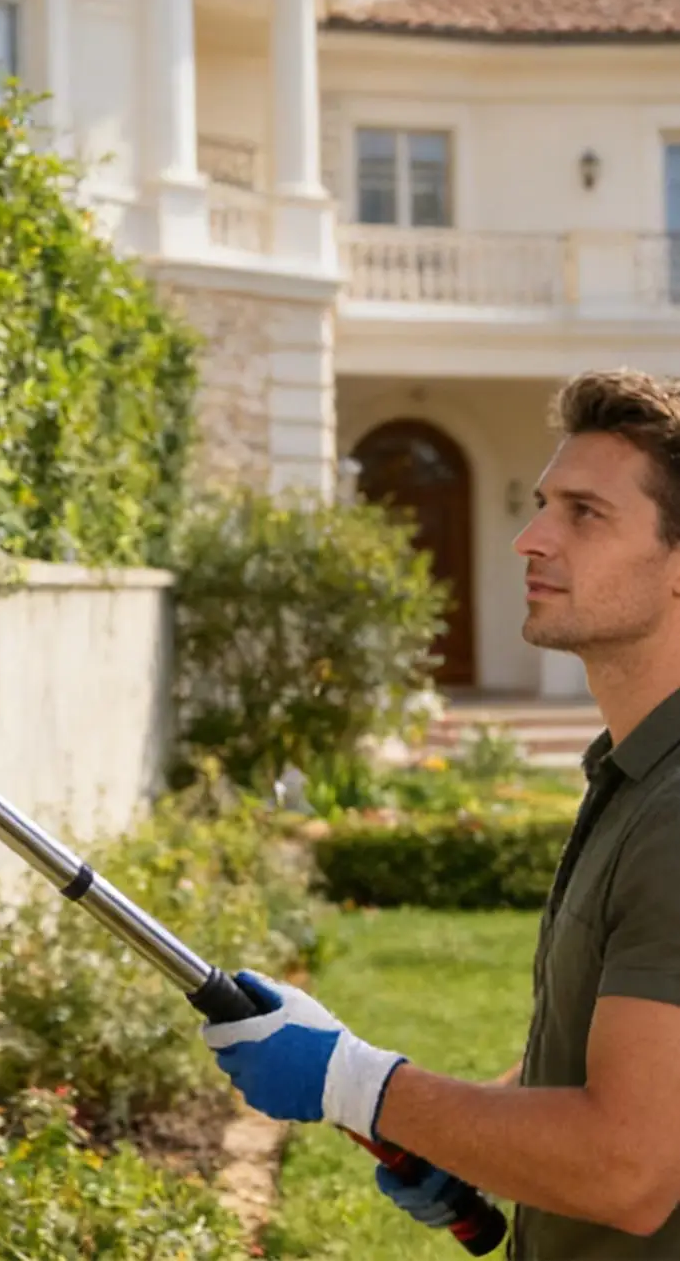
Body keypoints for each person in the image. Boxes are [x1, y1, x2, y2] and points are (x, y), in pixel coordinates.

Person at [200, 369, 680, 1259]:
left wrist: (356, 1081)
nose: (530, 538)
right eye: (540, 505)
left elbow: (627, 1169)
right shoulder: (633, 773)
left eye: (584, 513)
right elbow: (597, 1063)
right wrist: (448, 1131)